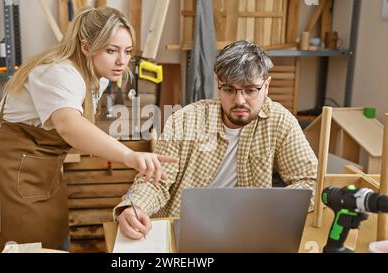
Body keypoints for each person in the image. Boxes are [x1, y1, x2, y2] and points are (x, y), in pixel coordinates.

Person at [0, 6, 177, 252]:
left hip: (41, 169)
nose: (122, 60)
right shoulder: (58, 72)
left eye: (127, 51)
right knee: (13, 246)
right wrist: (129, 156)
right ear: (86, 47)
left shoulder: (95, 76)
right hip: (4, 165)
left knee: (53, 239)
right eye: (111, 50)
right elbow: (69, 125)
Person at [114, 40, 318, 240]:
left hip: (245, 230)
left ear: (266, 85)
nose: (239, 100)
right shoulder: (185, 119)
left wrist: (266, 208)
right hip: (182, 226)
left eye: (250, 90)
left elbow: (310, 180)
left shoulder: (280, 121)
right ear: (217, 83)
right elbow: (156, 181)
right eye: (229, 89)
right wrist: (133, 207)